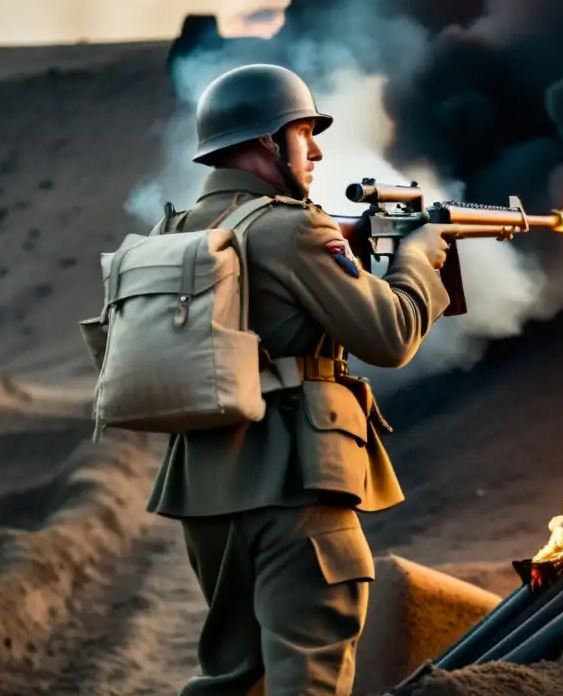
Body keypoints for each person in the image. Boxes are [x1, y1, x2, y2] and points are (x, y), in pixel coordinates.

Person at [145, 64, 452, 696]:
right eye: (303, 132)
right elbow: (390, 336)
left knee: (234, 675)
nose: (314, 150)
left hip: (206, 490)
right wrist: (418, 261)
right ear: (265, 141)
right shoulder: (295, 228)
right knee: (308, 671)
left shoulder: (174, 229)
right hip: (296, 482)